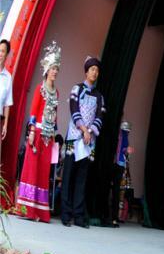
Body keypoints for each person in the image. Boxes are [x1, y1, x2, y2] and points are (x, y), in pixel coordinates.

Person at [15, 43, 59, 222]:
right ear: (47, 70)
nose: (55, 71)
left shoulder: (56, 92)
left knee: (43, 171)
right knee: (32, 168)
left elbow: (55, 115)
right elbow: (33, 112)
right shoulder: (40, 89)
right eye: (53, 68)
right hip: (38, 133)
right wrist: (32, 131)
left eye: (57, 69)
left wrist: (55, 134)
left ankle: (40, 211)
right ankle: (27, 209)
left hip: (48, 137)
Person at [61, 56, 105, 228]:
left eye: (97, 70)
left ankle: (79, 216)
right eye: (92, 69)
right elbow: (73, 109)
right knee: (68, 175)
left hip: (88, 142)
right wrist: (84, 129)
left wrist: (90, 132)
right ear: (86, 72)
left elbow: (100, 116)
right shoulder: (76, 89)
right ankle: (65, 214)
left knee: (82, 178)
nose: (95, 73)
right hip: (74, 138)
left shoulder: (99, 96)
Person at [107, 121, 132, 227]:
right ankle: (110, 217)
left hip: (119, 164)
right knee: (112, 190)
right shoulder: (115, 133)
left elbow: (124, 150)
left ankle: (114, 217)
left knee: (116, 191)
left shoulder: (125, 136)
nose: (127, 133)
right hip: (113, 164)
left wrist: (127, 150)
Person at [0, 39, 14, 157]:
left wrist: (5, 125)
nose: (0, 53)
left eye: (2, 51)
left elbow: (7, 104)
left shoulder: (8, 77)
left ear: (7, 54)